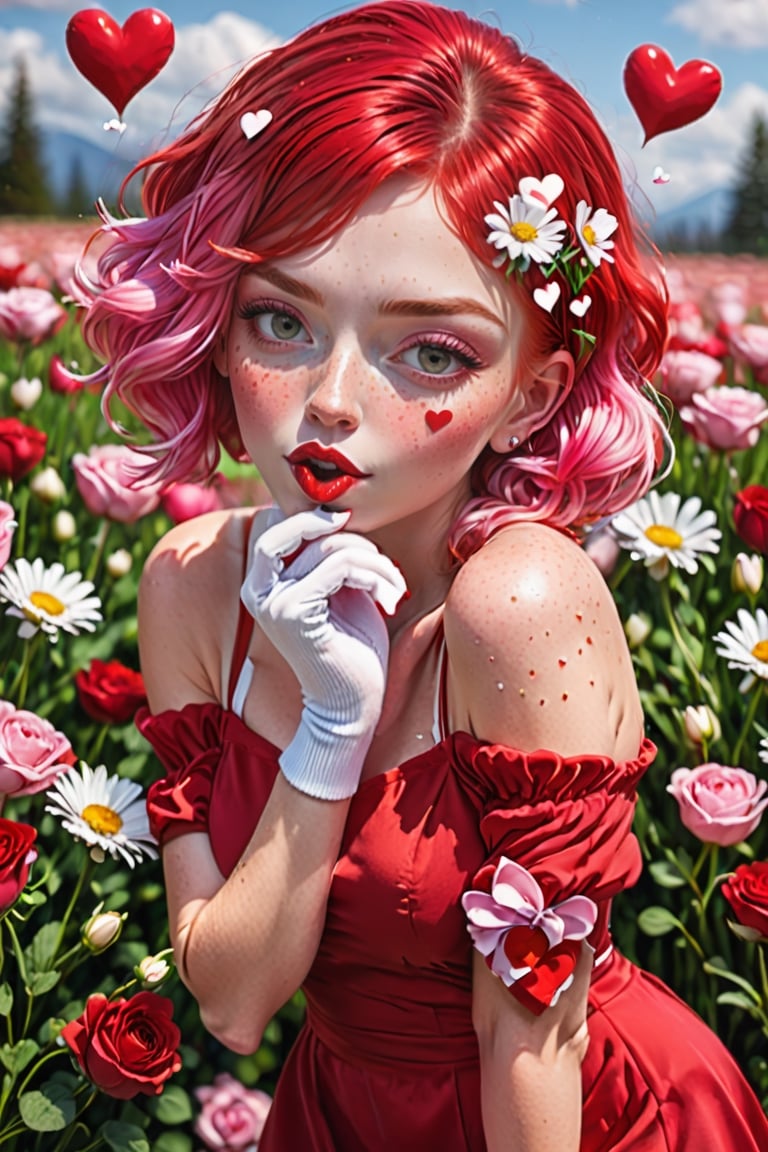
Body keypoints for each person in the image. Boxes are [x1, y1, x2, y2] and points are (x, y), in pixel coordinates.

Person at [76, 3, 768, 1148]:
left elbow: (530, 1038)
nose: (332, 399)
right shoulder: (190, 584)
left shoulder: (519, 604)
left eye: (431, 350)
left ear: (535, 395)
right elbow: (236, 1001)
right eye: (280, 319)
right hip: (337, 1110)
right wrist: (330, 732)